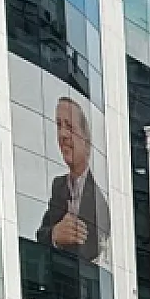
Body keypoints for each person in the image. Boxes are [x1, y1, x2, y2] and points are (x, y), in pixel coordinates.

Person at [36, 96, 109, 261]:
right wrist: (55, 234)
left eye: (69, 127)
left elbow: (94, 251)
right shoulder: (59, 185)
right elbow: (41, 234)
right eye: (59, 125)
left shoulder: (100, 201)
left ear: (86, 141)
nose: (62, 134)